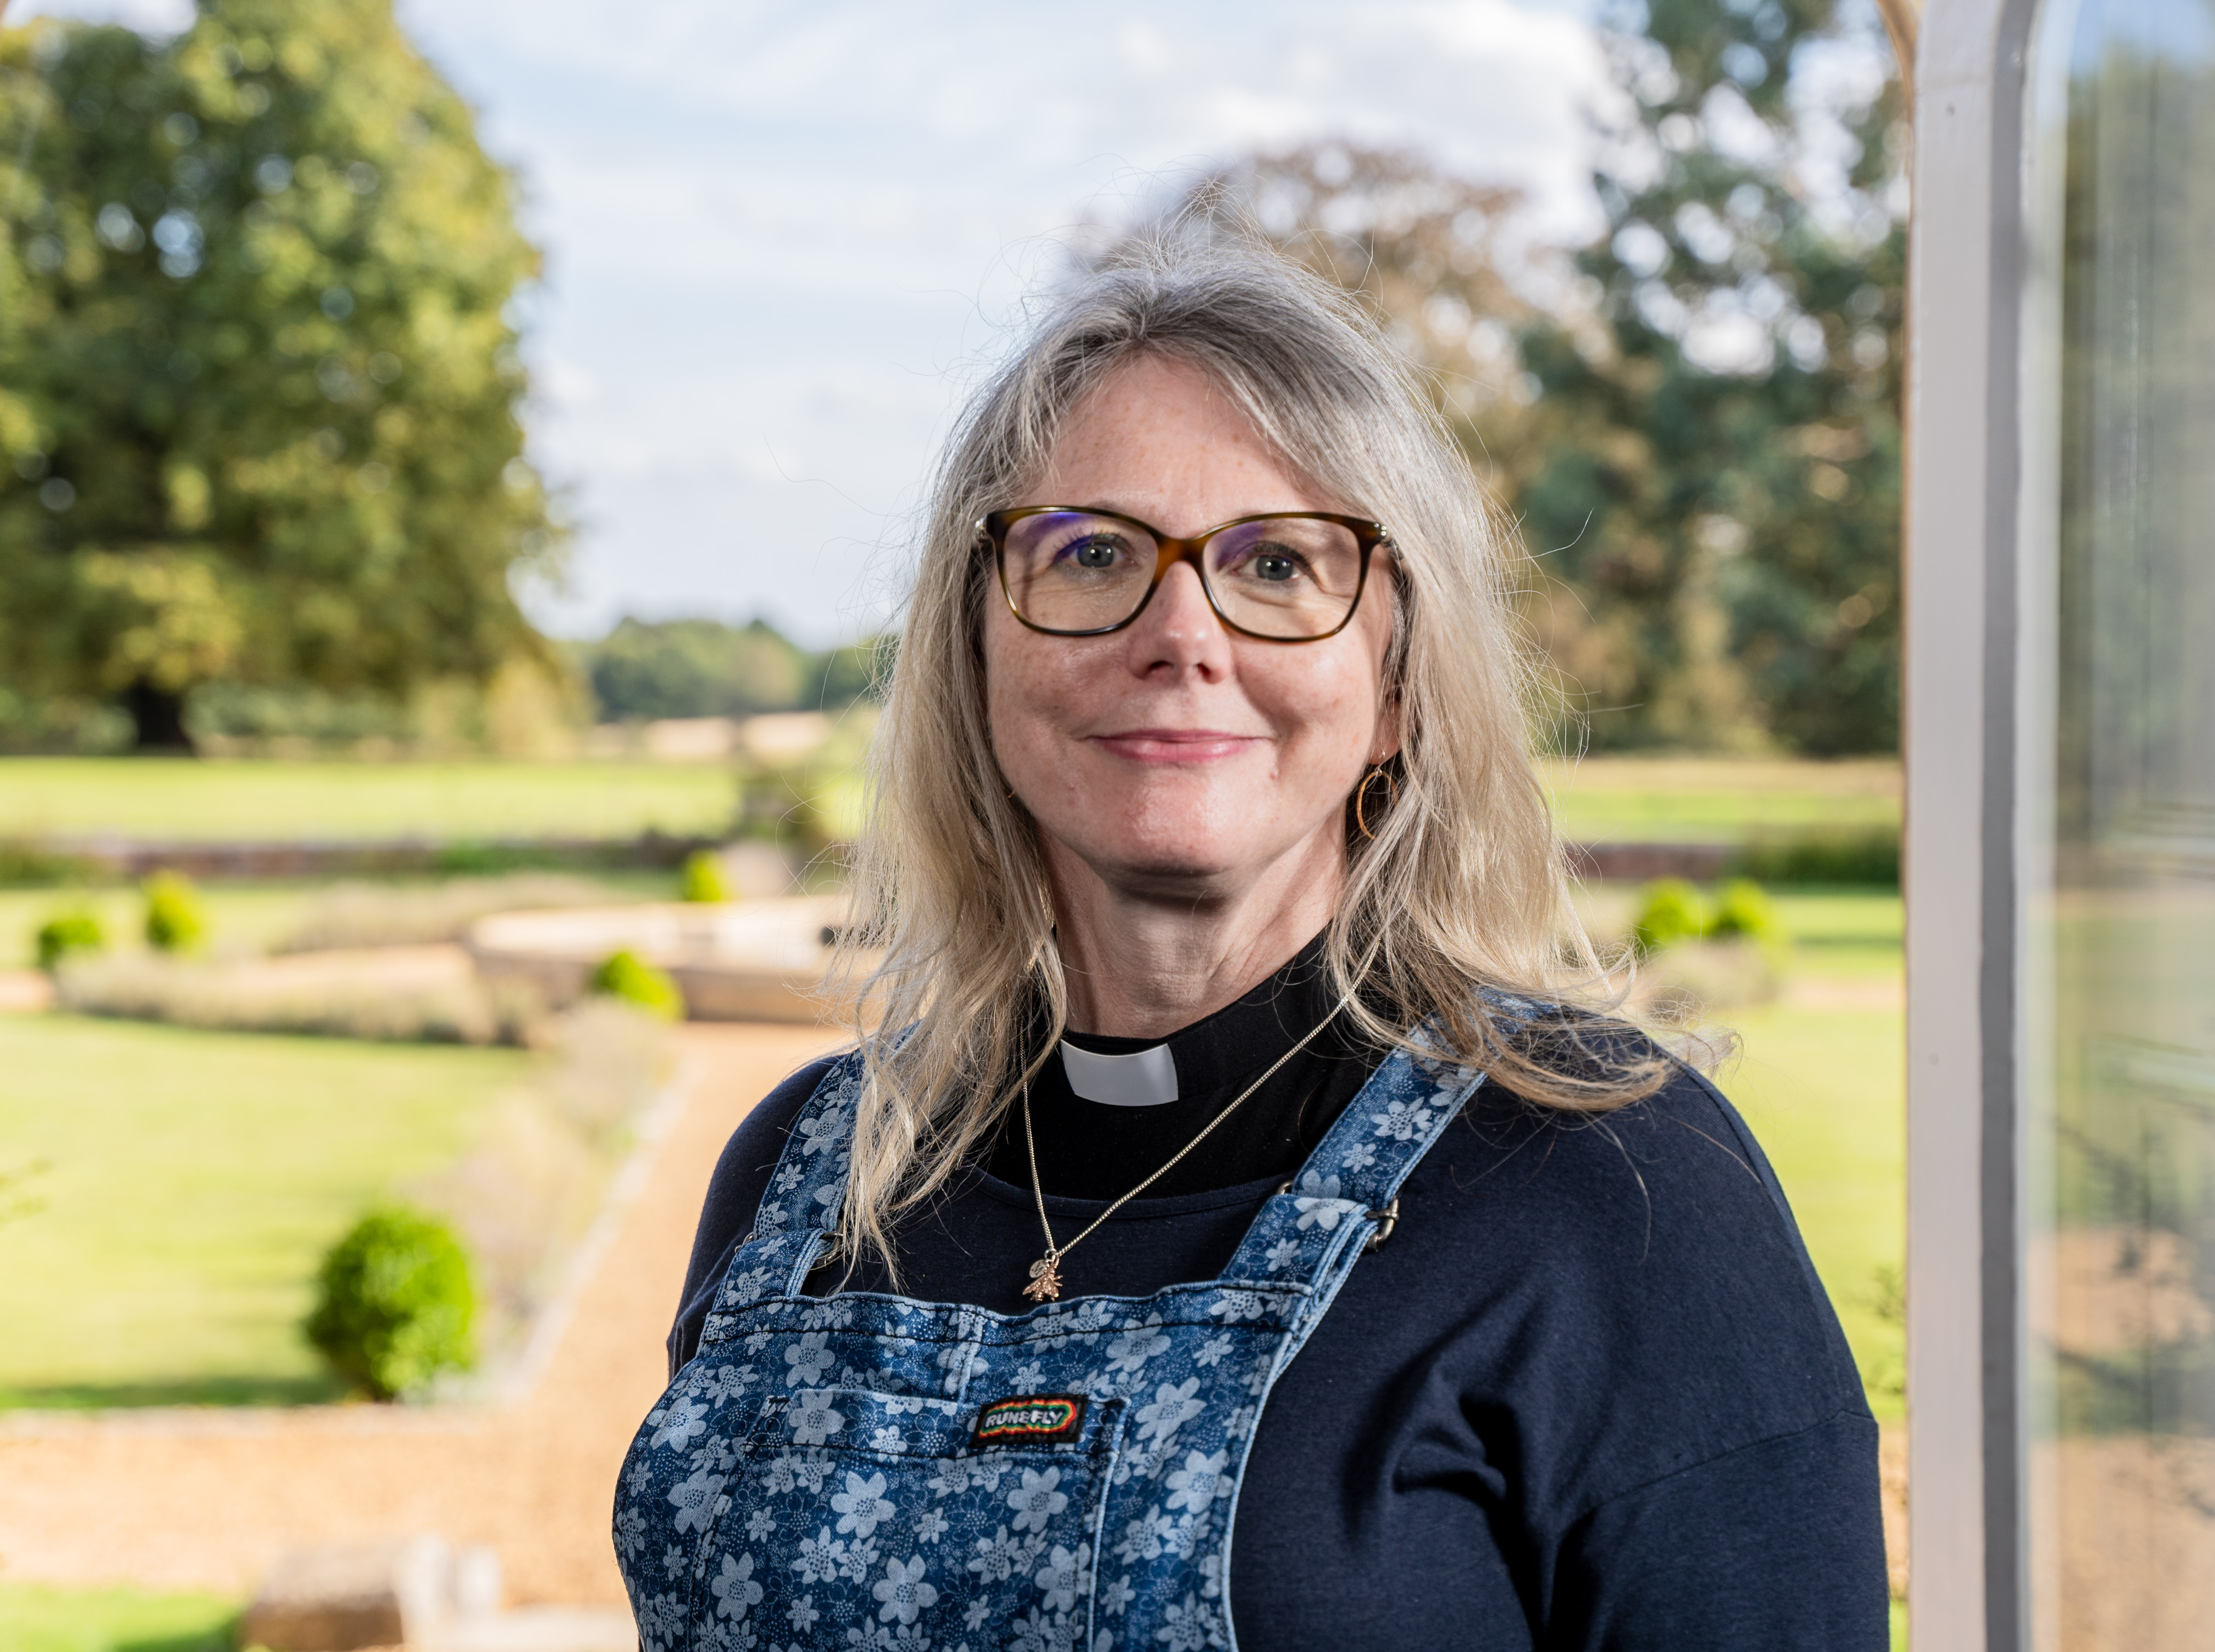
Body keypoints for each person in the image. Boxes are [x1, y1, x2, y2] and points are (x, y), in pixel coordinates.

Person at [612, 242, 1886, 1650]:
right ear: (975, 661)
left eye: (1278, 562)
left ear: (1398, 683)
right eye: (1091, 553)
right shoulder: (810, 1175)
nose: (1181, 631)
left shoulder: (1611, 1189)